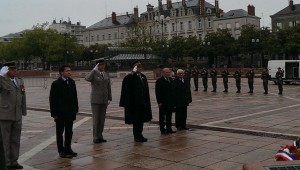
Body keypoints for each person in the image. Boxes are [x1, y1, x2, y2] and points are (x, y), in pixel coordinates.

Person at [0, 62, 27, 169]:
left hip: (17, 115)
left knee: (16, 140)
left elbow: (23, 95)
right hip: (5, 115)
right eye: (13, 69)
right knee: (5, 140)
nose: (15, 71)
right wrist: (1, 76)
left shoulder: (19, 80)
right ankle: (5, 162)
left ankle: (14, 161)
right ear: (7, 70)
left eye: (16, 69)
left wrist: (23, 110)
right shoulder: (2, 80)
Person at [50, 65, 78, 158]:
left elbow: (75, 97)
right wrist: (54, 113)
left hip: (70, 112)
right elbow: (52, 99)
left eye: (70, 71)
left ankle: (68, 148)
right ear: (61, 72)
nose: (69, 72)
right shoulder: (56, 84)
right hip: (60, 113)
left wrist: (75, 109)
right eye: (67, 71)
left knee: (69, 131)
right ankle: (61, 150)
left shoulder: (72, 82)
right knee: (60, 132)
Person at [119, 62, 152, 142]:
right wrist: (132, 73)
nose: (139, 69)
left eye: (140, 67)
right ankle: (136, 136)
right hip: (134, 104)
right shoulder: (130, 77)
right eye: (137, 67)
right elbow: (127, 84)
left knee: (141, 120)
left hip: (143, 103)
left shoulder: (143, 77)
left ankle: (140, 134)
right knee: (136, 121)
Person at [85, 58, 112, 143]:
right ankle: (95, 137)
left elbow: (108, 87)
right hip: (96, 100)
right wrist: (94, 70)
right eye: (101, 65)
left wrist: (109, 98)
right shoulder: (94, 74)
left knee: (102, 119)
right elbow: (87, 78)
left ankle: (100, 136)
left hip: (104, 100)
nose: (103, 66)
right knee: (96, 119)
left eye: (104, 64)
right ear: (97, 65)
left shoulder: (106, 74)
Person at [155, 68, 176, 134]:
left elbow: (173, 91)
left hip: (170, 101)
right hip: (163, 102)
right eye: (166, 72)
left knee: (169, 116)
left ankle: (169, 128)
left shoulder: (171, 79)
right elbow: (158, 92)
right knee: (162, 117)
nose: (168, 73)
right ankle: (162, 129)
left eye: (169, 72)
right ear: (163, 73)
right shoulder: (159, 81)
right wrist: (159, 102)